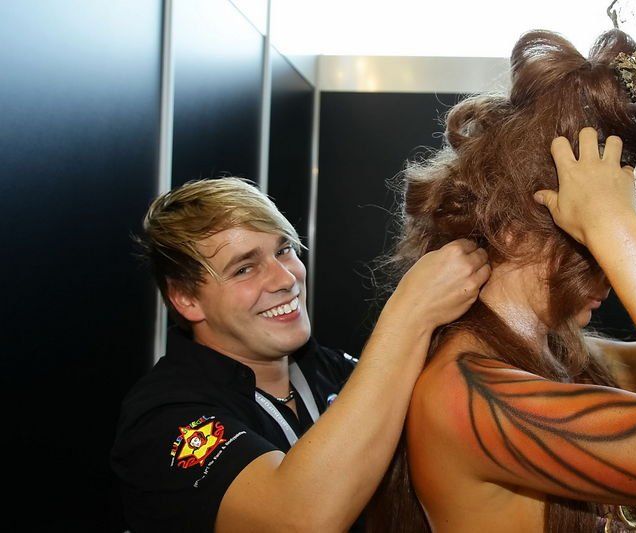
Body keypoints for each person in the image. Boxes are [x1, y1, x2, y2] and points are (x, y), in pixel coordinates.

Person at [368, 29, 636, 532]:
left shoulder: (562, 358)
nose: (614, 272)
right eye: (589, 243)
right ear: (510, 231)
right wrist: (615, 228)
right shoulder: (467, 397)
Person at [110, 177, 491, 532]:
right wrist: (409, 315)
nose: (285, 278)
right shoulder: (162, 419)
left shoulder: (331, 370)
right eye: (244, 269)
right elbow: (296, 519)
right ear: (186, 299)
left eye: (284, 250)